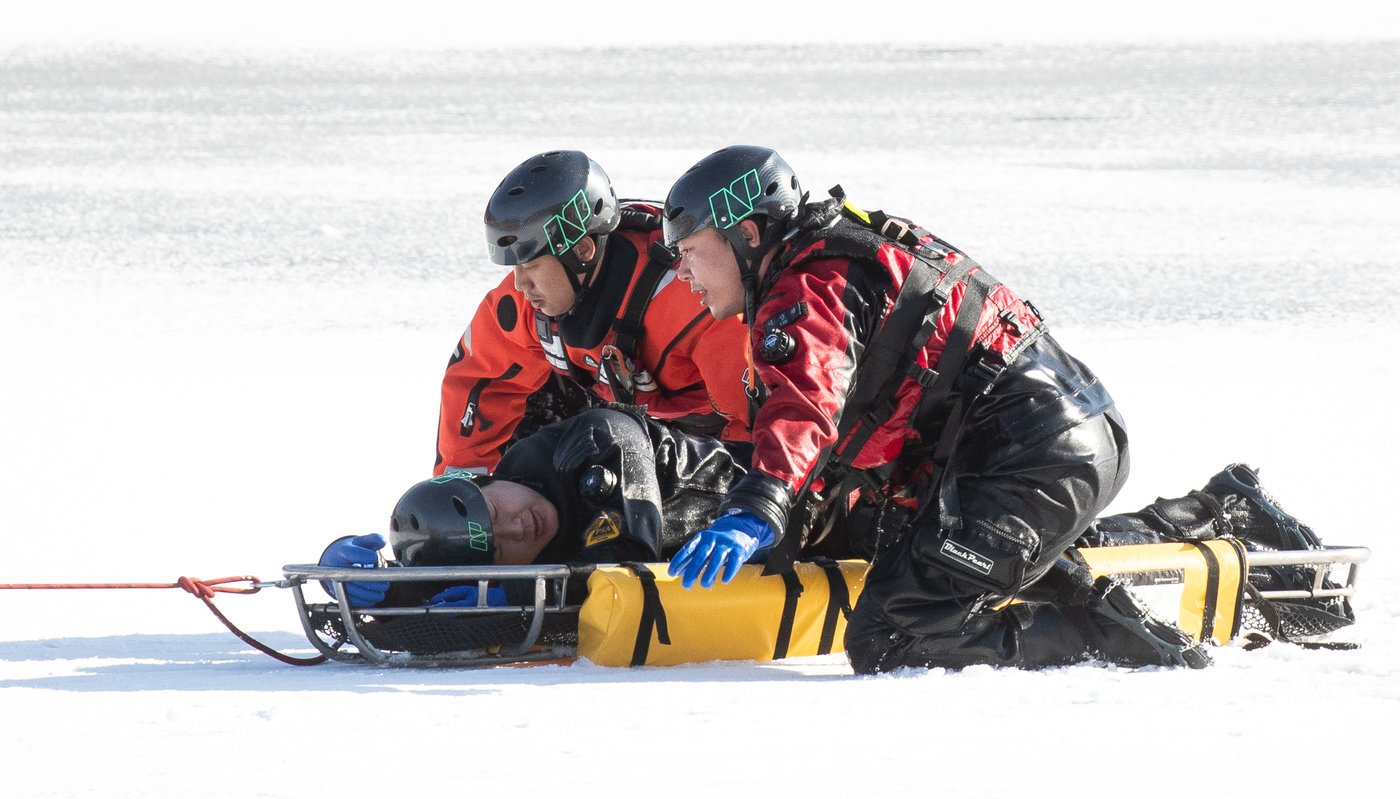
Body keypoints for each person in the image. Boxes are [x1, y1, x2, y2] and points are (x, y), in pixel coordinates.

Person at [659, 144, 1184, 673]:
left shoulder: (810, 288)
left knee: (890, 636)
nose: (681, 271)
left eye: (688, 249)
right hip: (1064, 433)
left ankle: (1106, 638)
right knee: (906, 559)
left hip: (1032, 455)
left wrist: (757, 507)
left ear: (746, 235)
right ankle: (1096, 606)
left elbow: (805, 404)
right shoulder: (839, 251)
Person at [434, 150, 752, 477]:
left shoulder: (699, 301)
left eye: (529, 265)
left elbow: (760, 429)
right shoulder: (527, 298)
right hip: (613, 410)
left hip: (710, 438)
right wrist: (460, 492)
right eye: (515, 266)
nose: (519, 283)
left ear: (582, 250)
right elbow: (477, 385)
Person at [324, 406, 763, 608]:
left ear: (488, 478)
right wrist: (365, 582)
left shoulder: (597, 439)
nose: (517, 530)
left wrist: (513, 593)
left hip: (810, 510)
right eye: (497, 552)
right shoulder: (521, 552)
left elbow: (628, 566)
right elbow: (446, 590)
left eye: (496, 513)